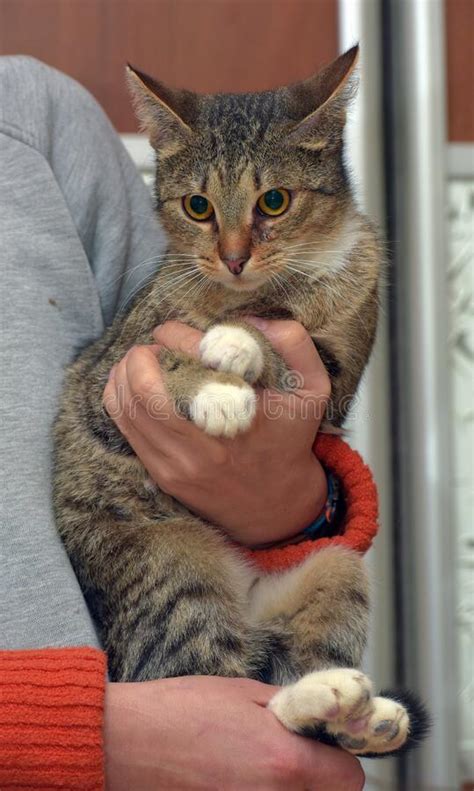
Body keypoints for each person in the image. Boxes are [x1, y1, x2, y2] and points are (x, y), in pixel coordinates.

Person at [0, 56, 365, 790]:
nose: (231, 252)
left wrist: (291, 505)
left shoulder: (34, 122)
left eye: (268, 208)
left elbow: (158, 390)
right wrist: (89, 735)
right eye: (200, 210)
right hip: (139, 637)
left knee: (341, 580)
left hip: (213, 659)